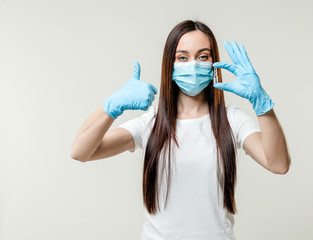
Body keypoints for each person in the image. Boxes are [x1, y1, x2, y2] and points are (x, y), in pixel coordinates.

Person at [71, 20, 291, 240]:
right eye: (182, 57)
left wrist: (262, 104)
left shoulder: (232, 120)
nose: (193, 64)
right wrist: (111, 107)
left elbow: (279, 164)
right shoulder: (152, 122)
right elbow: (81, 152)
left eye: (203, 56)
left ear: (214, 64)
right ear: (170, 65)